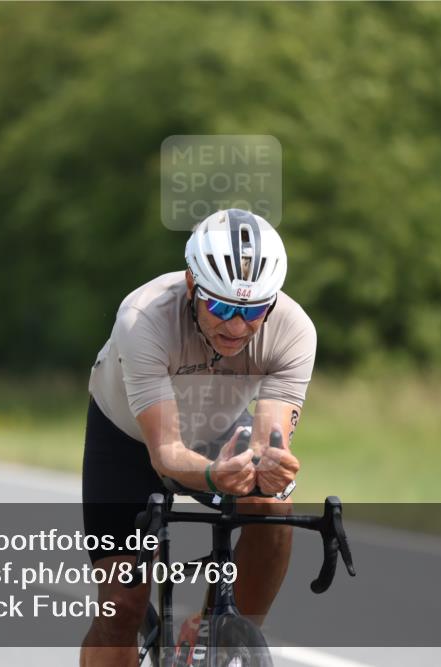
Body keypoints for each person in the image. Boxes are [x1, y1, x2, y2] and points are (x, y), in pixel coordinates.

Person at [80, 209, 317, 666]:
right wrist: (212, 476)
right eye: (222, 307)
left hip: (217, 431)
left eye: (252, 311)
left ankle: (218, 639)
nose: (236, 326)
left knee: (273, 502)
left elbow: (269, 442)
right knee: (121, 609)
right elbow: (165, 452)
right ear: (192, 284)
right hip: (128, 439)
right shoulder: (143, 317)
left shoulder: (293, 330)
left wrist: (271, 465)